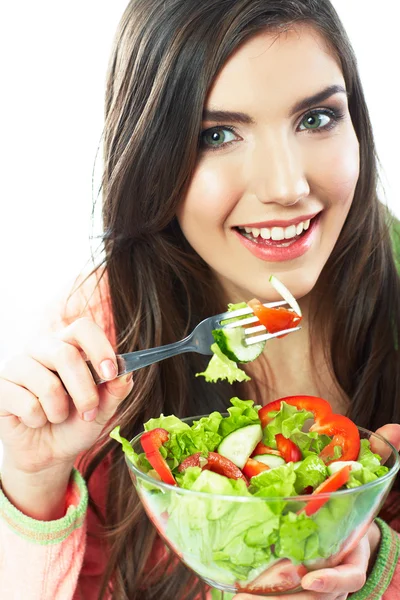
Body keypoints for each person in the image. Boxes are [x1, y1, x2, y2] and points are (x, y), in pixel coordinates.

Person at [0, 0, 399, 598]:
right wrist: (32, 482)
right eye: (218, 134)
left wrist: (378, 568)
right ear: (151, 160)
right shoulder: (97, 337)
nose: (286, 187)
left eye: (316, 118)